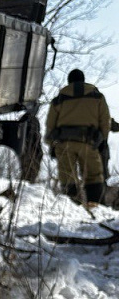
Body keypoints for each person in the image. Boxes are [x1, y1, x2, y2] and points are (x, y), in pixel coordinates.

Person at [46, 69, 113, 205]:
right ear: (83, 80)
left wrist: (51, 144)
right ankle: (95, 206)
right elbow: (105, 122)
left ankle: (71, 206)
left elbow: (50, 125)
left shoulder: (59, 99)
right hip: (88, 142)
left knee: (67, 176)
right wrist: (102, 141)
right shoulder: (97, 97)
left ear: (69, 81)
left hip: (64, 144)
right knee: (94, 176)